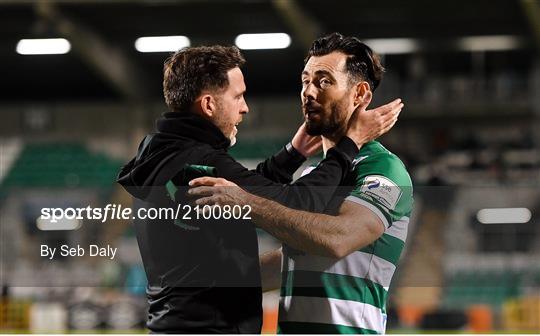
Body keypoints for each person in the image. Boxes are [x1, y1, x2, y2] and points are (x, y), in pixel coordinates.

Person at [117, 44, 401, 333]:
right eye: (238, 96)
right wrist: (348, 146)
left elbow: (254, 190)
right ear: (208, 105)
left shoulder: (165, 155)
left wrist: (293, 154)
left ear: (360, 94)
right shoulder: (200, 161)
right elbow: (296, 202)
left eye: (324, 81)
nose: (245, 107)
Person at [189, 33, 414, 334]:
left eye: (323, 81)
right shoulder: (311, 177)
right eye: (305, 80)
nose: (309, 91)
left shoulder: (384, 170)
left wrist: (246, 203)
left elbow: (337, 240)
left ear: (360, 94)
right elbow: (297, 260)